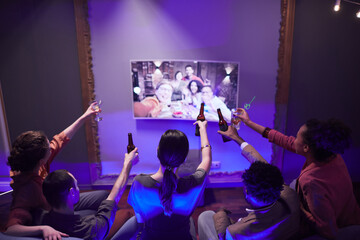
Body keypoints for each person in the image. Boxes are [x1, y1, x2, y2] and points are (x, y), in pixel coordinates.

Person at [236, 108, 360, 239]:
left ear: (306, 147)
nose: (292, 140)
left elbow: (327, 229)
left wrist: (297, 205)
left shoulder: (311, 181)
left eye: (296, 138)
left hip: (339, 231)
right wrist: (249, 122)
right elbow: (284, 140)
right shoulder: (332, 155)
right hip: (351, 214)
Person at [4, 102, 109, 239]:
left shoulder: (36, 162)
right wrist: (43, 228)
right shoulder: (26, 190)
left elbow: (60, 139)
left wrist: (85, 116)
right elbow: (10, 229)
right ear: (41, 160)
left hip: (61, 201)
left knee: (103, 196)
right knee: (98, 215)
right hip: (55, 216)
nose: (52, 147)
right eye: (49, 148)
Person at [113, 120, 212, 240]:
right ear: (184, 159)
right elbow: (206, 159)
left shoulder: (139, 183)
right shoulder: (194, 184)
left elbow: (140, 220)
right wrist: (202, 129)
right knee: (190, 221)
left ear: (157, 151)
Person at [198, 125, 300, 240]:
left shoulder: (236, 231)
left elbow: (223, 234)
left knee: (205, 216)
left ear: (247, 192)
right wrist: (237, 138)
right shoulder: (291, 197)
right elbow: (265, 167)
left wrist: (221, 214)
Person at [40, 148, 138, 240]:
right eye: (77, 185)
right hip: (97, 233)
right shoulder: (91, 228)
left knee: (99, 201)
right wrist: (128, 163)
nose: (78, 188)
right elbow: (115, 196)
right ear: (72, 193)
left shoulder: (41, 218)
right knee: (128, 214)